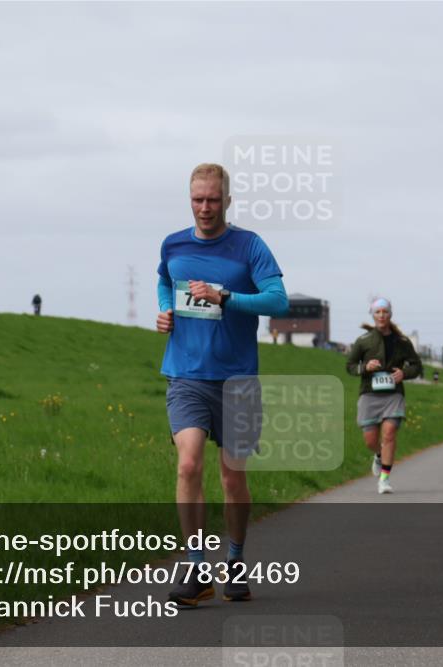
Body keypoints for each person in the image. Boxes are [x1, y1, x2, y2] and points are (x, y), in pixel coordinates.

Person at [156, 163, 289, 606]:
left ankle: (234, 559)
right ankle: (196, 567)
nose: (205, 207)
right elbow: (165, 280)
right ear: (189, 199)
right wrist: (165, 311)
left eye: (213, 199)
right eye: (198, 199)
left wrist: (225, 296)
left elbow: (278, 302)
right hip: (186, 375)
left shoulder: (249, 246)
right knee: (188, 465)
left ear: (228, 200)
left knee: (233, 479)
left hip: (238, 380)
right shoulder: (173, 244)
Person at [346, 298, 423, 494]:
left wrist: (404, 373)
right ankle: (378, 455)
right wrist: (366, 367)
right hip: (369, 394)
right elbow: (350, 366)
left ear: (390, 314)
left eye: (385, 312)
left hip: (393, 394)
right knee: (370, 440)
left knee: (389, 434)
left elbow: (416, 366)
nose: (382, 315)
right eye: (378, 312)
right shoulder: (363, 341)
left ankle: (384, 480)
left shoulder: (402, 342)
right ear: (373, 315)